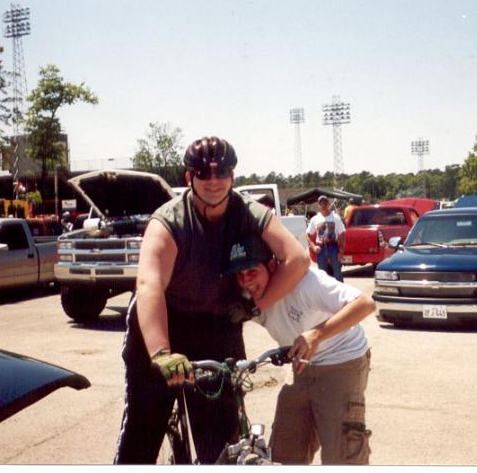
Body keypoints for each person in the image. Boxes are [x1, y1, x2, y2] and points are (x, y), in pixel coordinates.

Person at [113, 136, 309, 464]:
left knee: (223, 441)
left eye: (222, 173)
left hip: (216, 321)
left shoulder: (246, 210)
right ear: (189, 177)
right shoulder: (169, 220)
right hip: (164, 318)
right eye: (204, 174)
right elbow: (149, 286)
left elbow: (297, 259)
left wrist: (254, 306)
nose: (214, 181)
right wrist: (161, 352)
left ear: (233, 176)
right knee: (143, 431)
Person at [229, 233, 374, 465]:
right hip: (302, 365)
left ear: (272, 265)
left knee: (341, 455)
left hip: (342, 361)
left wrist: (316, 334)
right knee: (284, 453)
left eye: (252, 271)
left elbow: (365, 304)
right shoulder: (247, 297)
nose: (246, 281)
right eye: (240, 274)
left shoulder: (307, 283)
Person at [306, 195, 346, 282]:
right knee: (322, 274)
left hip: (333, 247)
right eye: (321, 203)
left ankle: (341, 289)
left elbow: (342, 233)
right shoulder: (315, 219)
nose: (323, 205)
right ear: (318, 205)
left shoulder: (335, 217)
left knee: (337, 272)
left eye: (325, 203)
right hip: (320, 248)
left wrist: (342, 250)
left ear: (328, 204)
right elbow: (308, 234)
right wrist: (313, 246)